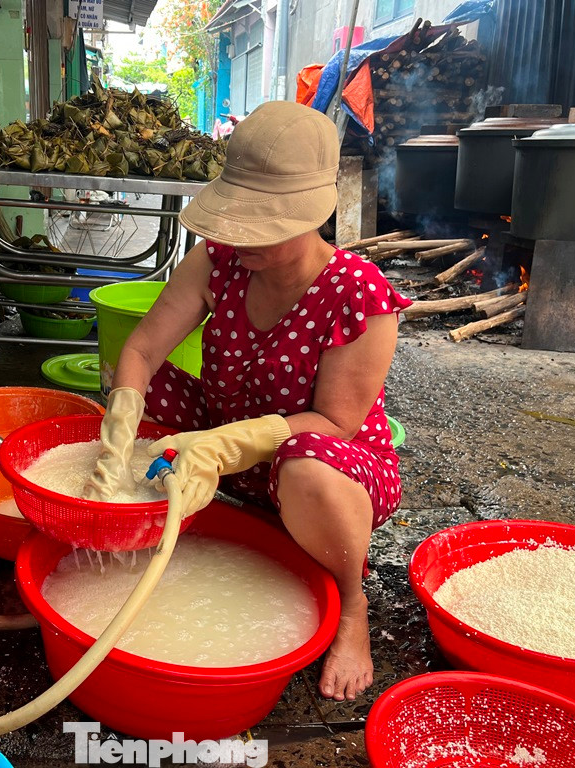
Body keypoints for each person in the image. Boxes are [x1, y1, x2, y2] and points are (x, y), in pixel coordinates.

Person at [82, 100, 411, 702]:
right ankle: (186, 506)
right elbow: (141, 351)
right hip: (226, 431)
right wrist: (115, 446)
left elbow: (336, 422)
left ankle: (351, 601)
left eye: (260, 227)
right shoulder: (218, 262)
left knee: (306, 463)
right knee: (119, 378)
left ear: (312, 215)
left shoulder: (358, 293)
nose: (236, 238)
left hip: (326, 460)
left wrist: (218, 445)